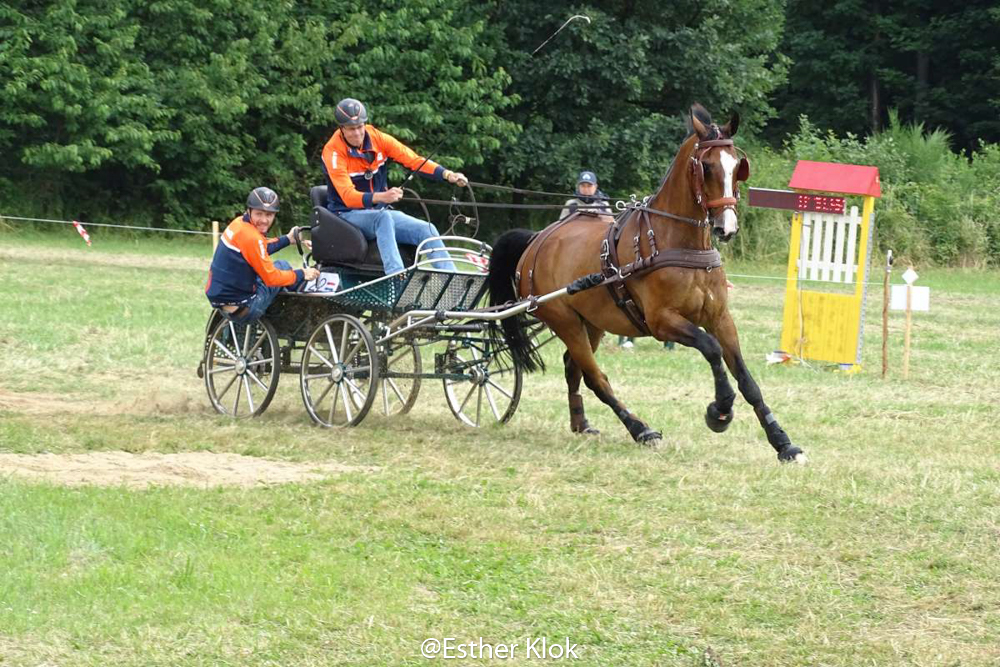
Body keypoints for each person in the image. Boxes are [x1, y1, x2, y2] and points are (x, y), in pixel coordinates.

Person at [321, 98, 463, 275]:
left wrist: (447, 174)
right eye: (351, 128)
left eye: (360, 127)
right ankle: (396, 277)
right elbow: (348, 197)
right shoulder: (333, 152)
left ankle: (452, 280)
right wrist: (383, 197)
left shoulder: (378, 138)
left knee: (427, 229)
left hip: (378, 213)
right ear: (341, 128)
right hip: (346, 215)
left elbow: (414, 160)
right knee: (384, 218)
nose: (357, 133)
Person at [205, 187, 320, 322]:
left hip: (224, 303)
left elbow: (259, 248)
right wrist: (302, 274)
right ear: (249, 211)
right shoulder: (251, 237)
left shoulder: (238, 224)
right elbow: (271, 278)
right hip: (245, 308)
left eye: (269, 215)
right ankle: (303, 309)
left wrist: (288, 239)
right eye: (259, 214)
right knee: (282, 266)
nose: (264, 220)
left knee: (278, 272)